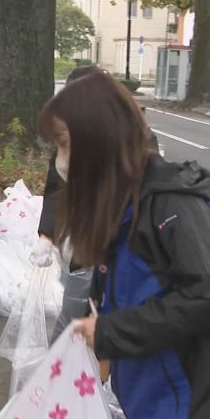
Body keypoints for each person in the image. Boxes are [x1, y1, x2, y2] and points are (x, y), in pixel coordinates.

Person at [38, 70, 210, 419]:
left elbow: (209, 292)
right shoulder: (124, 208)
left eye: (64, 144)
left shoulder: (170, 202)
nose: (60, 159)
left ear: (99, 139)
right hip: (166, 407)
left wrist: (111, 333)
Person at [31, 65, 160, 340]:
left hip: (104, 254)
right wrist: (47, 235)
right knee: (75, 314)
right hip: (85, 247)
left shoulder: (162, 198)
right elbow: (57, 189)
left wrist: (111, 331)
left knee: (80, 321)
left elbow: (199, 297)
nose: (62, 156)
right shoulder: (74, 139)